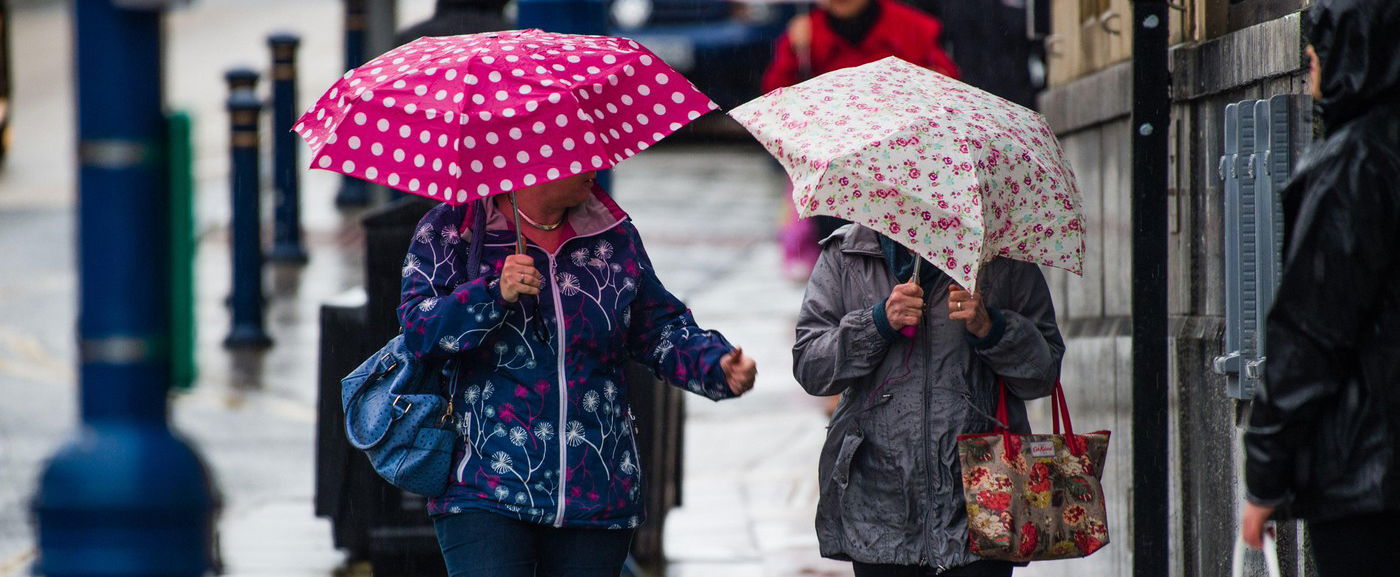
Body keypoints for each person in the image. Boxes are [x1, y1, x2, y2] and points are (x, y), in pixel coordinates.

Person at [399, 171, 758, 577]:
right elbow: (419, 331)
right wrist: (491, 293)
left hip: (597, 487)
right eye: (576, 153)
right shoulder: (452, 229)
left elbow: (657, 328)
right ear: (530, 160)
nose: (594, 165)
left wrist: (715, 364)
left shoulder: (613, 234)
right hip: (484, 485)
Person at [792, 225, 1064, 577]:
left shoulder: (1000, 258)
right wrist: (877, 323)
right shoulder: (846, 255)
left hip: (983, 501)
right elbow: (811, 367)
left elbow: (1042, 374)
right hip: (879, 506)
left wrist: (992, 328)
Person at [1240, 0, 1400, 573]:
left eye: (1320, 51)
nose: (1311, 63)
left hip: (1367, 481)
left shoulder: (1352, 165)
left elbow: (1308, 335)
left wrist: (1264, 476)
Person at [762, 0, 960, 285]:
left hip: (897, 167)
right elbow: (776, 97)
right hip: (833, 168)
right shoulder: (805, 33)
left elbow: (945, 81)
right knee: (839, 259)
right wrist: (795, 50)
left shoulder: (911, 27)